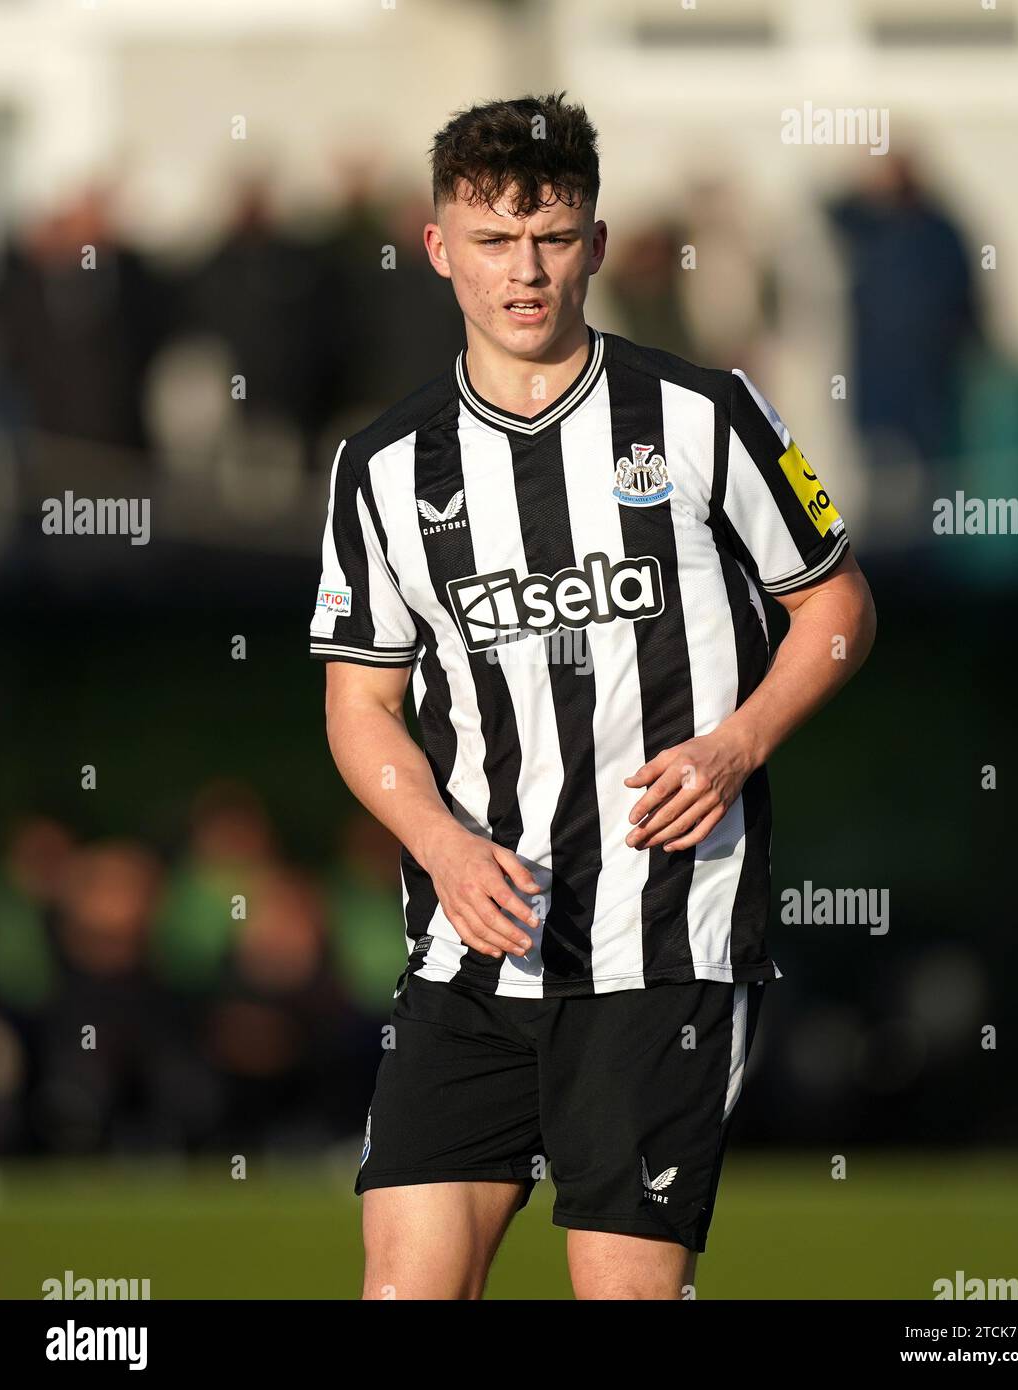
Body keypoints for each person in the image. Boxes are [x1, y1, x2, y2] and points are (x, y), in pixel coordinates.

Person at [309, 91, 876, 1300]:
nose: (526, 272)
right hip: (469, 952)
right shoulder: (382, 467)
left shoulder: (705, 415)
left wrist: (735, 745)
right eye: (495, 239)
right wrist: (442, 847)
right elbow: (361, 706)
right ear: (438, 247)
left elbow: (836, 611)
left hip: (664, 940)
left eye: (554, 237)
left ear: (599, 245)